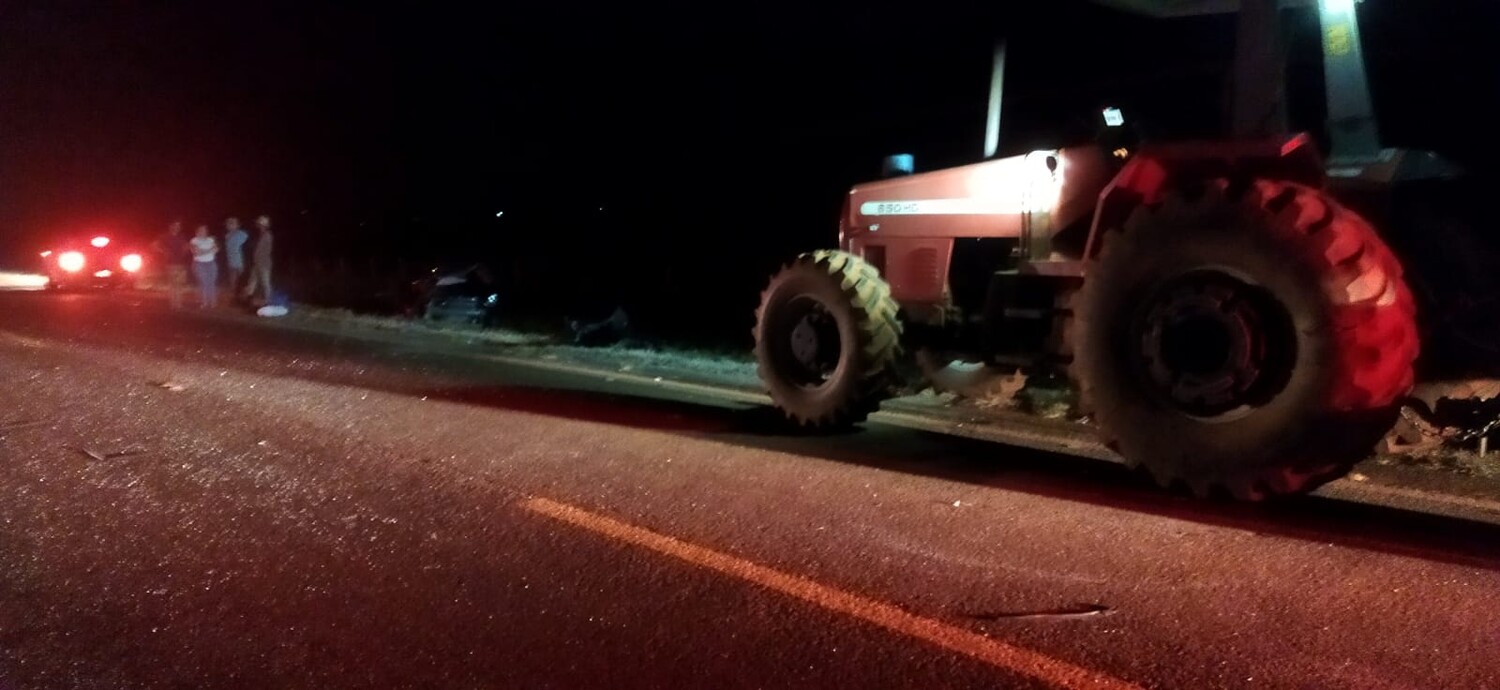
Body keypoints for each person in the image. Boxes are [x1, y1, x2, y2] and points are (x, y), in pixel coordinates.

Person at [152, 220, 190, 309]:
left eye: (179, 226)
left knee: (179, 284)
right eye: (175, 225)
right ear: (171, 226)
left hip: (181, 263)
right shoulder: (165, 236)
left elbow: (186, 246)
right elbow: (154, 245)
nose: (177, 227)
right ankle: (174, 304)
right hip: (170, 263)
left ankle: (178, 304)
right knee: (173, 284)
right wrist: (164, 251)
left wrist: (187, 248)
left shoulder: (181, 236)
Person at [242, 214, 274, 304]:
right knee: (252, 281)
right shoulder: (260, 235)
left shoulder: (267, 235)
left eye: (260, 224)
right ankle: (248, 299)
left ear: (264, 225)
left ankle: (268, 301)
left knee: (265, 283)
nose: (258, 225)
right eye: (259, 223)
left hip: (264, 264)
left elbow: (266, 250)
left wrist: (258, 258)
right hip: (257, 263)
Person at [189, 224, 220, 308]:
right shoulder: (194, 240)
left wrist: (204, 250)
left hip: (211, 263)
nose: (203, 231)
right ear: (197, 231)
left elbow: (216, 249)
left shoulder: (210, 239)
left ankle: (212, 302)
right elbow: (196, 252)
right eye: (201, 230)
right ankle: (204, 302)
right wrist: (210, 250)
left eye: (205, 230)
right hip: (199, 264)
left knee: (211, 283)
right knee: (203, 282)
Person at [223, 217, 249, 296]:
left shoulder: (242, 234)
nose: (230, 225)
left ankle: (243, 297)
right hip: (231, 262)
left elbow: (248, 246)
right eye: (228, 223)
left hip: (240, 262)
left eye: (232, 223)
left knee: (242, 281)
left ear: (238, 225)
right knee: (233, 282)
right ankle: (235, 297)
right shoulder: (227, 236)